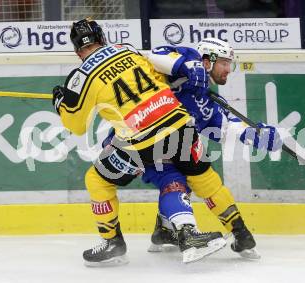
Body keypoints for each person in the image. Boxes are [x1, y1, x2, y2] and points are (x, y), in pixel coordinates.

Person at [52, 18, 228, 266]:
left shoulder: (80, 76)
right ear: (103, 38)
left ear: (77, 50)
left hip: (141, 137)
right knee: (174, 179)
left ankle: (112, 241)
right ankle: (189, 234)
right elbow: (159, 77)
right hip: (179, 120)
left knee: (97, 179)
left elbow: (76, 126)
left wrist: (61, 103)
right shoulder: (127, 49)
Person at [142, 38, 282, 259]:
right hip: (141, 136)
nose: (228, 69)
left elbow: (228, 126)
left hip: (176, 143)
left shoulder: (208, 100)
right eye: (224, 63)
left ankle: (239, 232)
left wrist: (256, 135)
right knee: (175, 182)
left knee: (205, 180)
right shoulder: (188, 57)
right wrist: (186, 66)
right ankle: (121, 237)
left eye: (230, 64)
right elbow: (152, 56)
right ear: (207, 60)